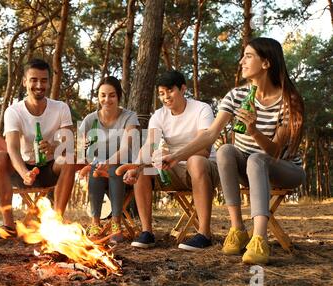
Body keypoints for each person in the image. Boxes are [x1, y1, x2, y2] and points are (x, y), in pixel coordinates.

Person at [155, 37, 305, 264]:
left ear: (266, 63)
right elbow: (209, 135)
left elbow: (274, 152)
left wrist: (253, 131)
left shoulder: (288, 99)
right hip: (250, 170)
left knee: (257, 158)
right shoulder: (236, 96)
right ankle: (238, 229)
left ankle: (259, 238)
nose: (241, 61)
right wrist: (176, 156)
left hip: (284, 169)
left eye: (248, 56)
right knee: (225, 149)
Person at [0, 59, 76, 244]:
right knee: (0, 156)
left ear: (49, 82)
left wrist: (54, 146)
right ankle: (9, 226)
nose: (39, 85)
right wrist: (24, 172)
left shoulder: (61, 108)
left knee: (69, 158)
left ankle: (55, 224)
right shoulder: (14, 111)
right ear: (25, 81)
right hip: (22, 169)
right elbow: (13, 147)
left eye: (43, 80)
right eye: (34, 80)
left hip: (50, 169)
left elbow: (68, 143)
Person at [123, 70, 219, 250]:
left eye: (170, 90)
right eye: (161, 93)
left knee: (195, 160)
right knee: (143, 170)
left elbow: (204, 149)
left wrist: (176, 156)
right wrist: (135, 167)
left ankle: (204, 233)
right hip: (172, 168)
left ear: (183, 89)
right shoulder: (159, 116)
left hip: (203, 169)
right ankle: (147, 233)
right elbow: (149, 144)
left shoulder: (201, 109)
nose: (166, 97)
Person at [79, 76, 139, 243]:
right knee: (96, 169)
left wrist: (108, 162)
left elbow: (126, 148)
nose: (107, 99)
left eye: (112, 95)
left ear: (119, 96)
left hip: (123, 167)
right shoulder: (90, 120)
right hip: (98, 167)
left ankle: (116, 223)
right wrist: (87, 158)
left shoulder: (129, 117)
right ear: (98, 97)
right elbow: (81, 149)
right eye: (103, 95)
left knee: (114, 168)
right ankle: (95, 223)